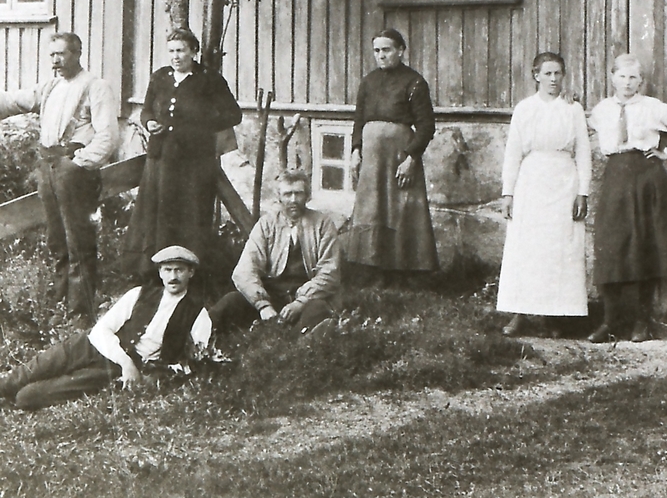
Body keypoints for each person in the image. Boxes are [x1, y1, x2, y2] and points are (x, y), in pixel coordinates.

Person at [0, 246, 212, 410]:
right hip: (91, 345)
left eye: (180, 270)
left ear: (190, 273)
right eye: (168, 270)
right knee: (31, 371)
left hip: (112, 369)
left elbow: (196, 361)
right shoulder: (139, 294)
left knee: (28, 396)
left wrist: (152, 374)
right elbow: (101, 330)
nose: (173, 276)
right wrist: (126, 362)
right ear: (160, 272)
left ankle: (16, 398)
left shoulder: (197, 314)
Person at [0, 32, 119, 318]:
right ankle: (61, 303)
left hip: (73, 171)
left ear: (77, 53)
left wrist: (80, 162)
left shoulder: (95, 87)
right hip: (48, 167)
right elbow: (16, 101)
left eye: (62, 54)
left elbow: (108, 136)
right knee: (56, 239)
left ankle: (81, 311)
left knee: (78, 239)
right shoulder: (51, 86)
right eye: (52, 54)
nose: (56, 60)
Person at [587, 54, 667, 345]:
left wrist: (666, 153)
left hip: (646, 178)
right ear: (612, 78)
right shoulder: (601, 110)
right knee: (611, 245)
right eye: (622, 76)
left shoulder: (652, 107)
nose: (627, 83)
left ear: (641, 81)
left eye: (633, 77)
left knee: (644, 247)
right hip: (615, 177)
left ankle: (642, 321)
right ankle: (610, 321)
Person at [122, 28, 242, 281]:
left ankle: (189, 272)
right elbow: (145, 111)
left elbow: (234, 114)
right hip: (161, 159)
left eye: (181, 50)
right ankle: (153, 271)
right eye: (171, 51)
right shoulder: (160, 78)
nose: (175, 57)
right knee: (159, 211)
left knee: (190, 213)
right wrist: (150, 122)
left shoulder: (209, 80)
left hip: (194, 162)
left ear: (193, 51)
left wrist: (199, 123)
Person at [497, 52, 590, 337]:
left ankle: (554, 317)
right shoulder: (524, 109)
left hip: (564, 182)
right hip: (531, 181)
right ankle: (520, 313)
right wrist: (508, 192)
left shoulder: (573, 109)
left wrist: (583, 192)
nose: (553, 79)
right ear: (536, 75)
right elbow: (513, 152)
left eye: (558, 73)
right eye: (547, 73)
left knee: (559, 250)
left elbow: (584, 152)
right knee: (526, 247)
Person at [346, 29, 439, 275]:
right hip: (372, 160)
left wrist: (411, 158)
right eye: (377, 51)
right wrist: (356, 150)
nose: (381, 55)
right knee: (372, 209)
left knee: (399, 211)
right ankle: (370, 271)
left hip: (399, 157)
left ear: (400, 51)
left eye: (386, 50)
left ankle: (404, 273)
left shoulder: (414, 82)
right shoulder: (368, 81)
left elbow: (427, 125)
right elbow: (359, 120)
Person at [211, 169, 341, 336]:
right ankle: (196, 341)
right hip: (272, 297)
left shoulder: (323, 224)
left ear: (307, 196)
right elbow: (244, 270)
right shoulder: (267, 224)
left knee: (318, 310)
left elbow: (329, 273)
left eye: (298, 194)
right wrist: (262, 305)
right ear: (279, 197)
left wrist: (300, 302)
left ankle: (290, 344)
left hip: (307, 298)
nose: (293, 200)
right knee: (230, 301)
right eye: (287, 194)